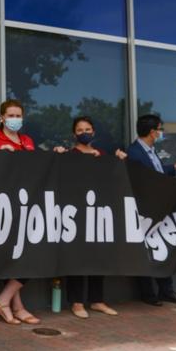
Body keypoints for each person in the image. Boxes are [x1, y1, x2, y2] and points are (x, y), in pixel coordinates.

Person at [0, 99, 40, 325]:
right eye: (11, 115)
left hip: (28, 202)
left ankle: (6, 301)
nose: (15, 119)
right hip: (4, 204)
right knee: (13, 255)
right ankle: (15, 305)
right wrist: (1, 155)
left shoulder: (27, 141)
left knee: (31, 252)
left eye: (18, 115)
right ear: (2, 118)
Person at [126, 114, 176, 307]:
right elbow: (144, 178)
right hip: (145, 210)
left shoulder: (151, 150)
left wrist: (173, 168)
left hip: (160, 207)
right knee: (145, 251)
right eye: (159, 129)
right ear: (152, 132)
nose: (161, 133)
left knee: (162, 249)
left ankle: (166, 290)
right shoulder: (134, 152)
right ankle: (148, 293)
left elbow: (156, 171)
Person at [65, 116, 123, 319]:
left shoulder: (102, 155)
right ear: (74, 134)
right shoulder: (70, 155)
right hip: (76, 214)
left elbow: (113, 178)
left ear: (94, 132)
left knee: (98, 256)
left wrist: (116, 161)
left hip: (99, 212)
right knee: (78, 257)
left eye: (88, 129)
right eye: (80, 130)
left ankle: (97, 300)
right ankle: (77, 302)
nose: (84, 133)